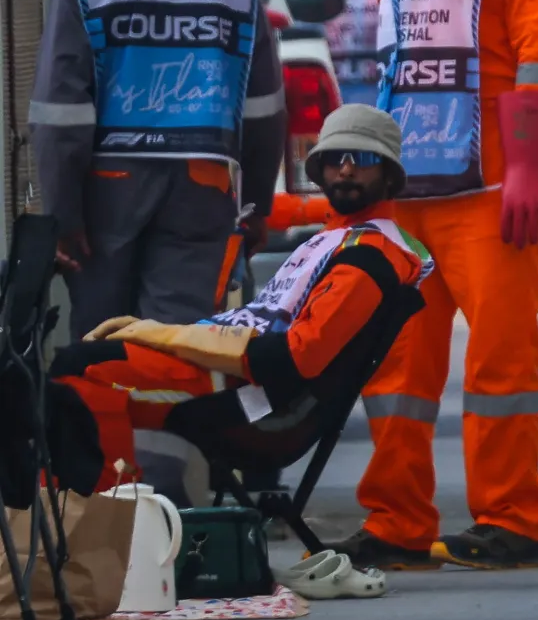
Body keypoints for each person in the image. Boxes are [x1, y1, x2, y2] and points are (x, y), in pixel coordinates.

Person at [328, 0, 538, 572]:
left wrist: (529, 171)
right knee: (396, 367)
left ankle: (510, 521)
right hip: (412, 194)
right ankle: (397, 522)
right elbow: (397, 70)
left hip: (494, 193)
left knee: (499, 365)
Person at [49, 105, 432, 496]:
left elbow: (296, 358)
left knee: (82, 376)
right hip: (225, 375)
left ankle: (114, 531)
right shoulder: (335, 236)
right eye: (335, 159)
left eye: (363, 159)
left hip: (256, 404)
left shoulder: (369, 257)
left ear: (388, 173)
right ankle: (94, 525)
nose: (346, 170)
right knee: (74, 365)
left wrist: (160, 334)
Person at [29, 0, 285, 336]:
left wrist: (62, 216)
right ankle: (164, 414)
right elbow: (263, 107)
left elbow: (62, 111)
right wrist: (255, 205)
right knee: (179, 339)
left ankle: (106, 412)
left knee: (102, 337)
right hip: (204, 183)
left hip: (108, 190)